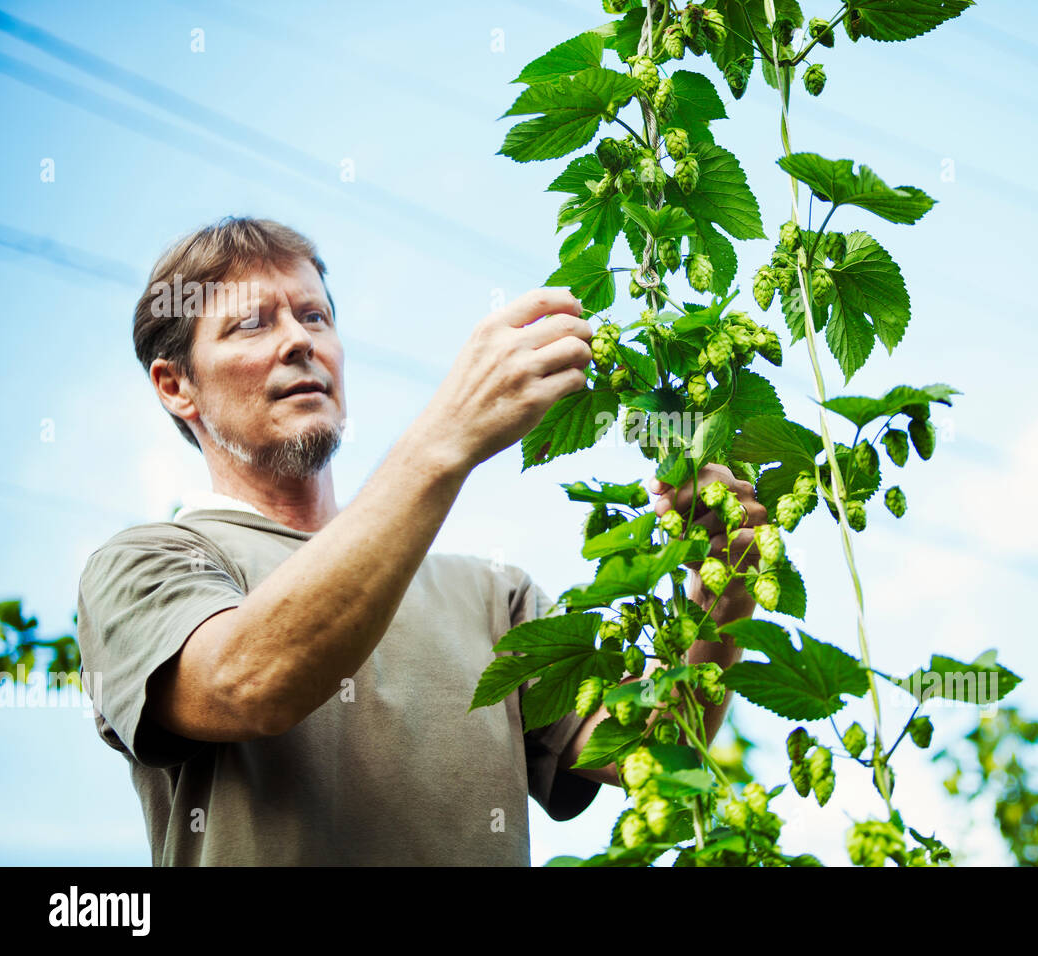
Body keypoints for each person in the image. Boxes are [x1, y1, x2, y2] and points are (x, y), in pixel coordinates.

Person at [76, 216, 763, 865]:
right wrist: (447, 436)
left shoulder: (494, 595)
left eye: (315, 316)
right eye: (251, 324)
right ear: (176, 387)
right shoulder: (145, 566)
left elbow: (657, 743)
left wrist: (725, 586)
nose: (299, 341)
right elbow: (250, 682)